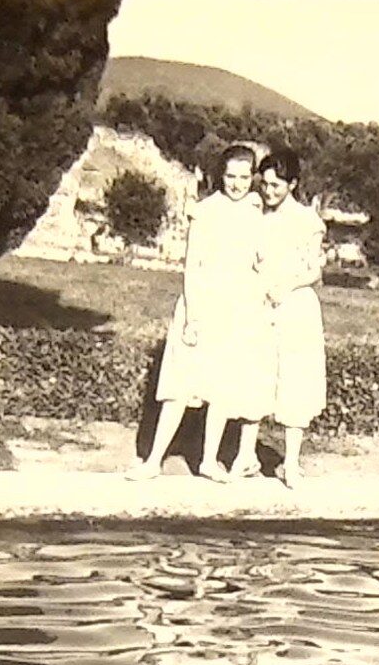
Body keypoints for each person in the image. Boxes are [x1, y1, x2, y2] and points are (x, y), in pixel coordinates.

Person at [126, 144, 274, 482]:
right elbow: (193, 266)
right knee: (180, 385)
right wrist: (192, 317)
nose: (236, 184)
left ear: (252, 177)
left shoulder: (257, 212)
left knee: (221, 386)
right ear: (219, 175)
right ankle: (153, 460)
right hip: (203, 303)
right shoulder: (205, 211)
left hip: (237, 308)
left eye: (243, 177)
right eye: (230, 176)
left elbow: (261, 260)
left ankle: (208, 460)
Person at [236, 147, 327, 489]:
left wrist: (285, 287)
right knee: (255, 374)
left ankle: (290, 463)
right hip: (259, 303)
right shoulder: (256, 215)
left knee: (294, 379)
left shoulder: (306, 221)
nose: (269, 191)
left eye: (277, 185)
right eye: (265, 184)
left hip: (295, 307)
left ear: (293, 184)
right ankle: (246, 456)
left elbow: (315, 270)